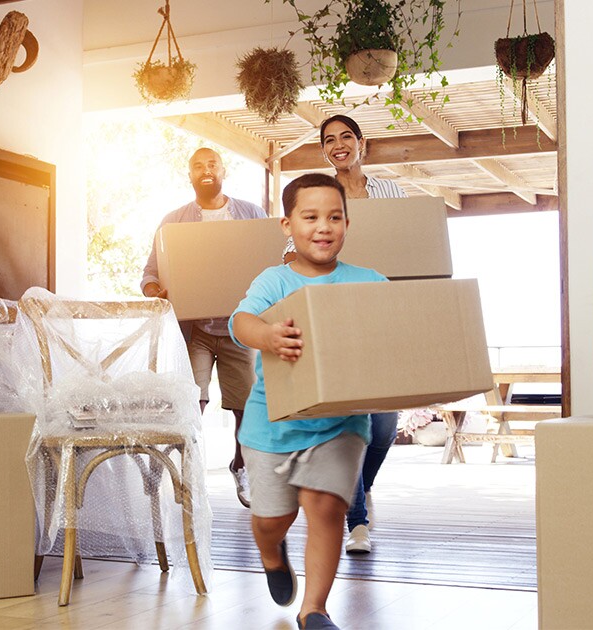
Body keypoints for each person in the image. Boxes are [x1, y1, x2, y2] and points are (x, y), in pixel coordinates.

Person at [230, 173, 387, 630]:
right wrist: (268, 336)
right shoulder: (274, 280)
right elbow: (242, 321)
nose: (324, 227)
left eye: (334, 217)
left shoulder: (368, 282)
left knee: (326, 506)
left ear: (347, 224)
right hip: (272, 424)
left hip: (341, 422)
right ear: (287, 225)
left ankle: (313, 610)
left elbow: (395, 324)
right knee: (272, 519)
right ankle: (271, 553)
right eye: (311, 217)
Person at [283, 114, 407, 554]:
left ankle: (361, 485)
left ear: (361, 143)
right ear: (324, 150)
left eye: (346, 137)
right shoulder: (320, 195)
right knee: (351, 423)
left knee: (385, 425)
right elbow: (292, 250)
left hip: (378, 313)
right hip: (335, 316)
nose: (339, 145)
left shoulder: (390, 192)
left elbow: (408, 244)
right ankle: (357, 523)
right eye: (329, 140)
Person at [141, 147, 265, 508]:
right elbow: (150, 273)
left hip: (239, 327)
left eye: (212, 164)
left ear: (223, 171)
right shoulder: (173, 222)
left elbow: (270, 261)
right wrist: (154, 290)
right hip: (196, 331)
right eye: (198, 165)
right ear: (190, 175)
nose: (206, 170)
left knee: (247, 407)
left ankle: (241, 465)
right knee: (190, 402)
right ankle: (177, 467)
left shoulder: (251, 215)